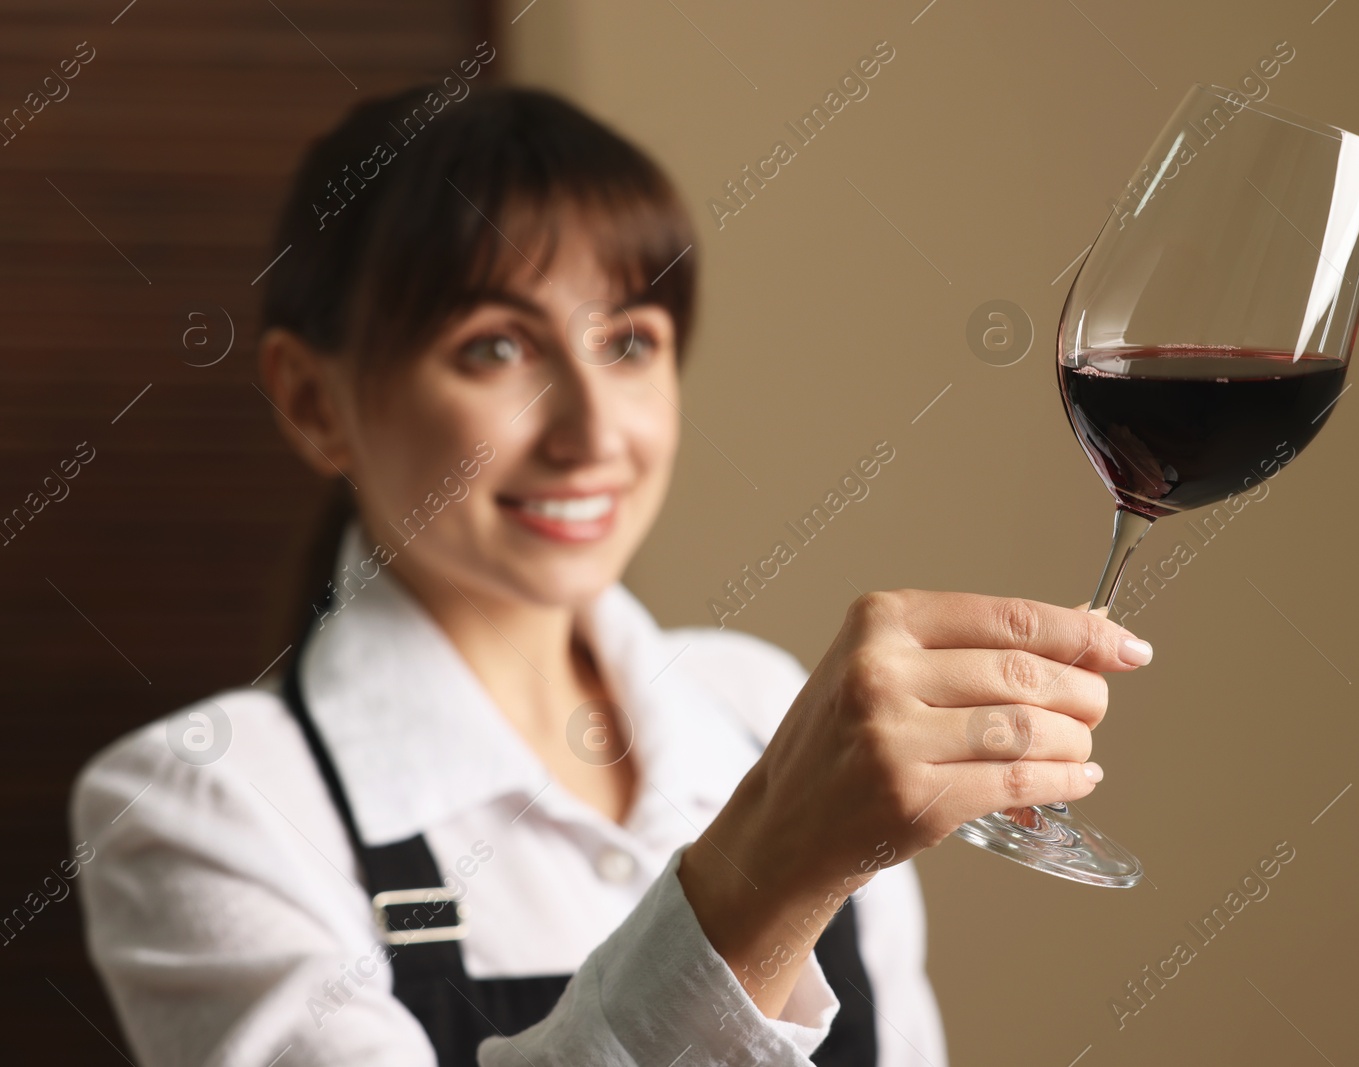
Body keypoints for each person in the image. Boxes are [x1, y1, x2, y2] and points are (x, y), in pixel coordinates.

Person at [69, 83, 1154, 1067]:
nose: (591, 431)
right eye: (497, 347)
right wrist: (772, 866)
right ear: (313, 400)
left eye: (628, 342)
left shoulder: (764, 703)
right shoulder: (206, 802)